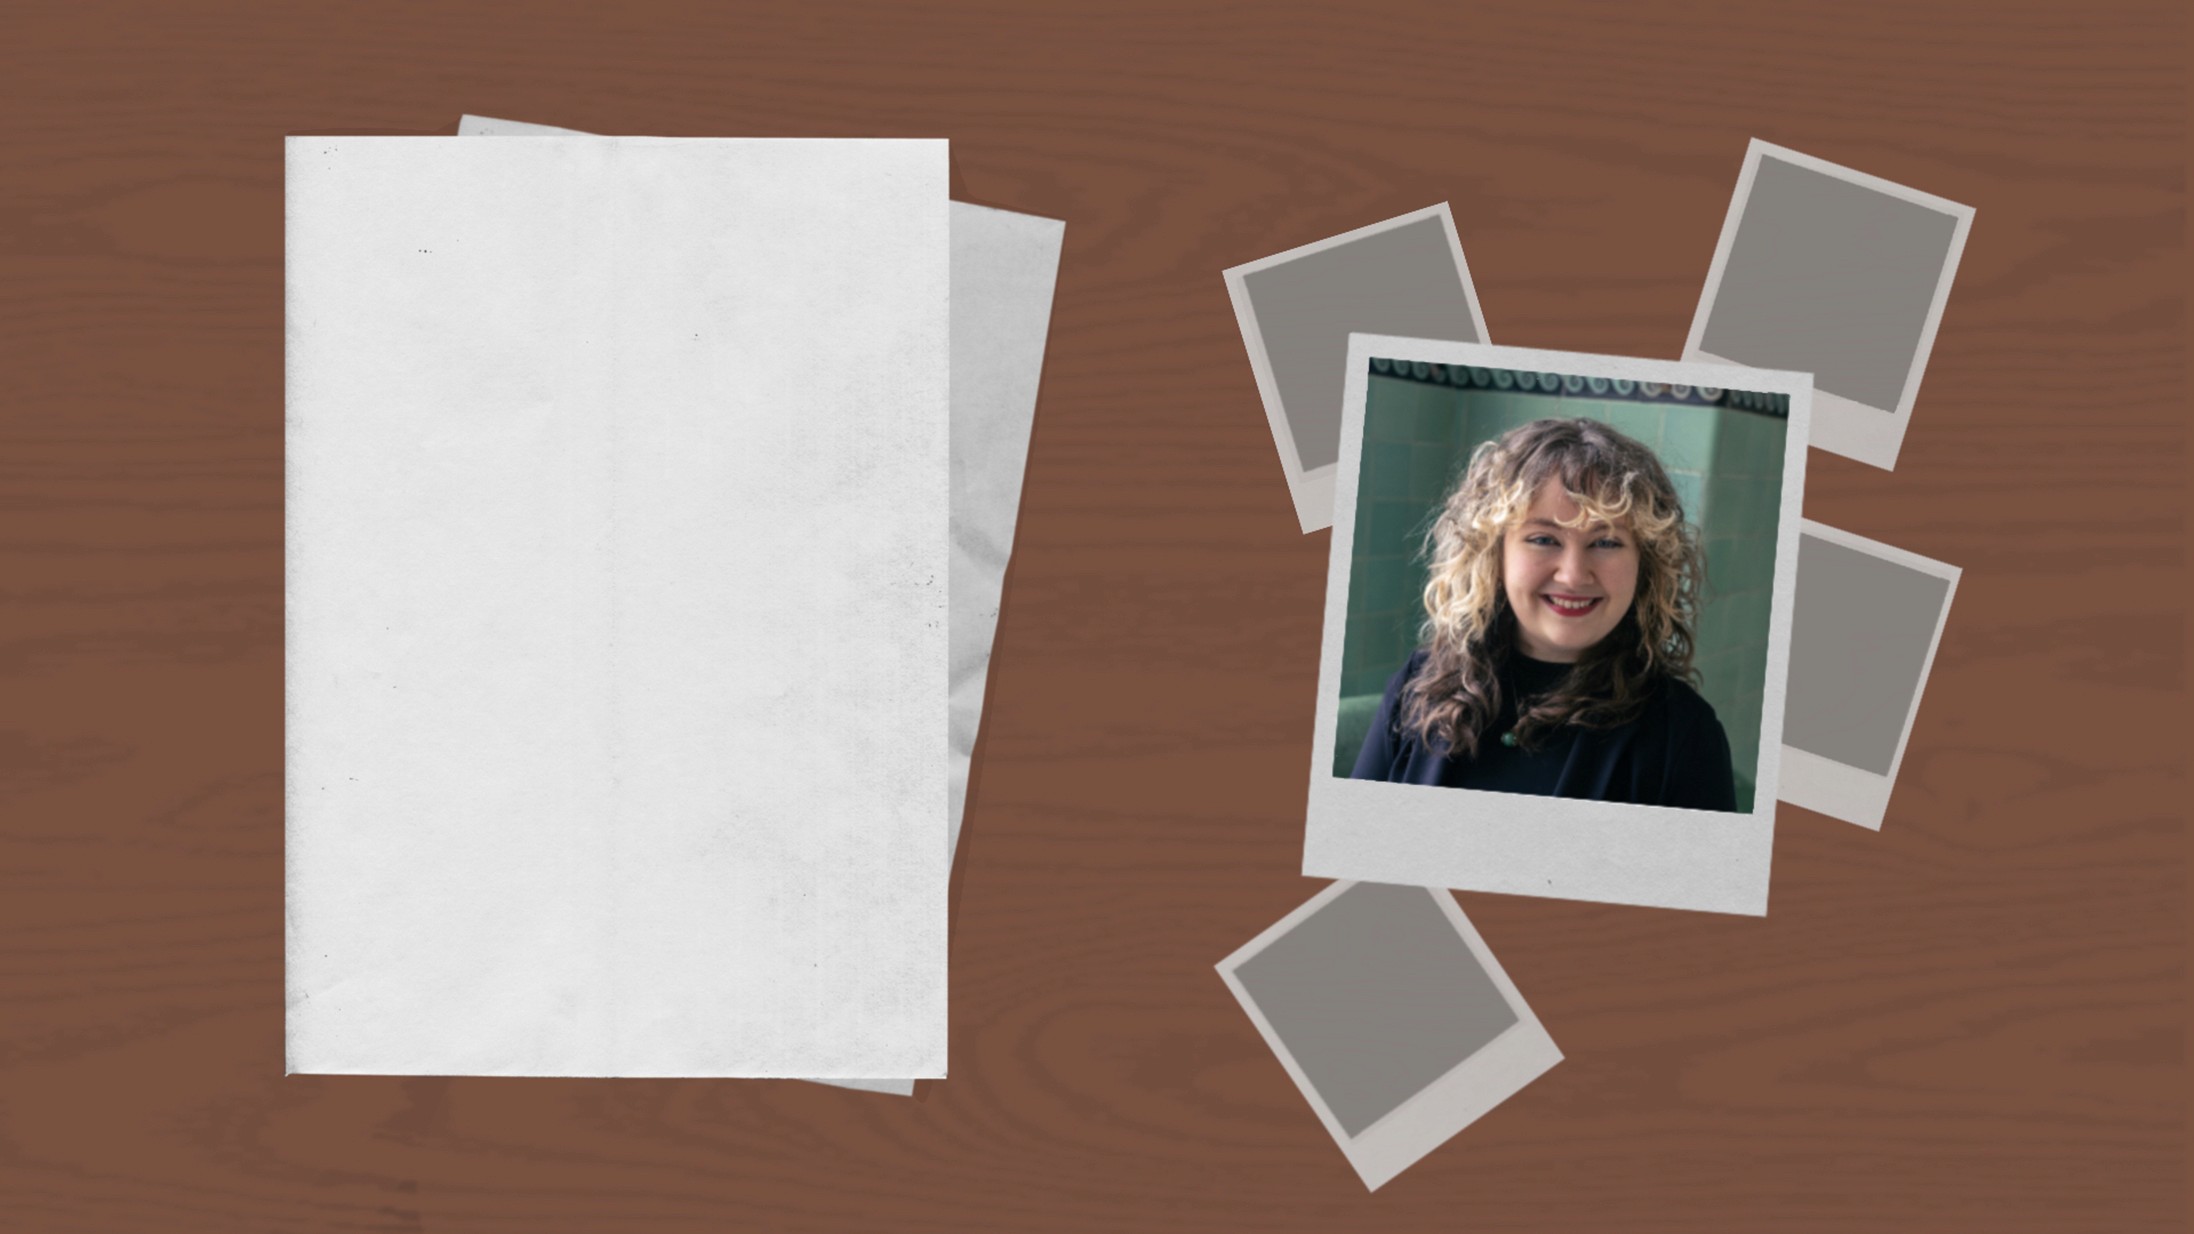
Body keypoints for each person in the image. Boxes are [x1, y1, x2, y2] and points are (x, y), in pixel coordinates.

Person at [1350, 417, 1737, 811]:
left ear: (1646, 563)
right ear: (1493, 554)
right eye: (1543, 539)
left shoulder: (1685, 734)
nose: (1572, 575)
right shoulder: (1415, 686)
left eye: (1605, 541)